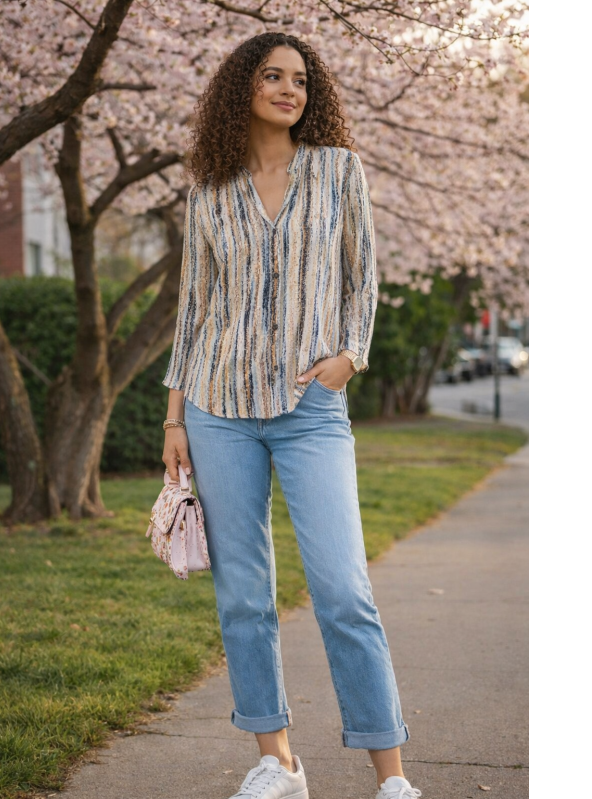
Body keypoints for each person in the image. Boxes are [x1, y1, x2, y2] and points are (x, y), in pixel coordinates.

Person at [161, 31, 421, 799]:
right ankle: (278, 760)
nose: (288, 89)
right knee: (243, 593)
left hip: (312, 407)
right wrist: (175, 418)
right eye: (271, 76)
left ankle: (392, 777)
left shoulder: (338, 171)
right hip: (217, 407)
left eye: (300, 80)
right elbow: (192, 309)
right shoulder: (210, 186)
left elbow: (361, 281)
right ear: (241, 87)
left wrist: (352, 356)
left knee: (343, 589)